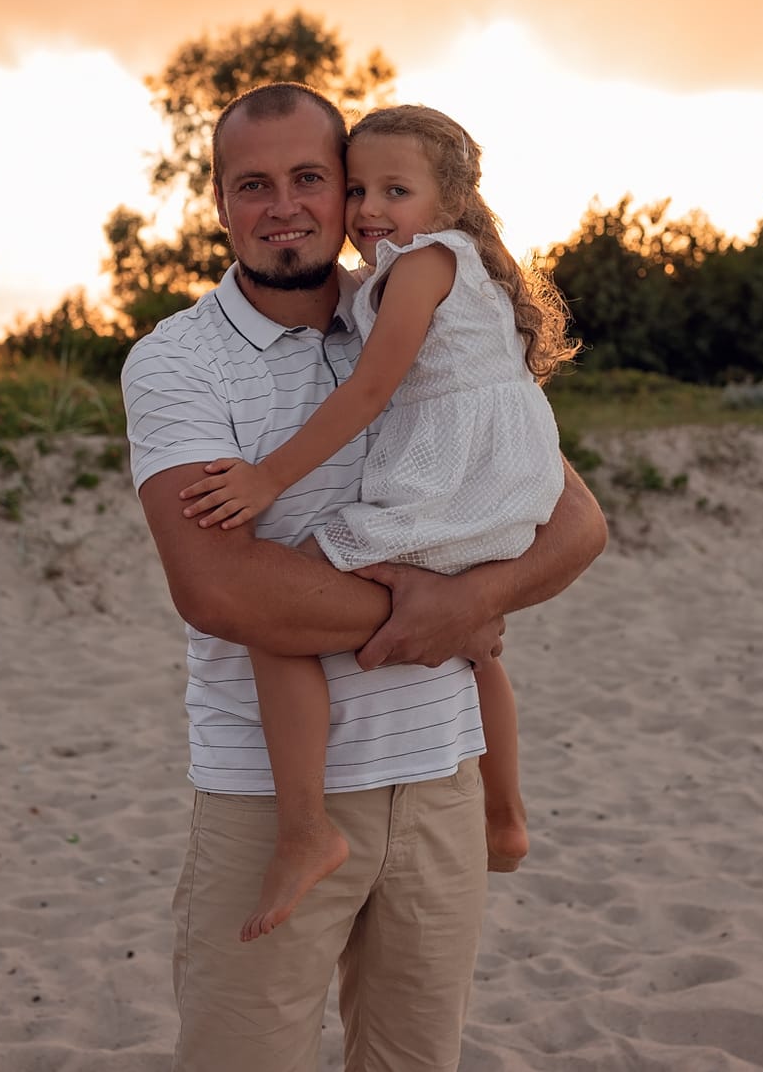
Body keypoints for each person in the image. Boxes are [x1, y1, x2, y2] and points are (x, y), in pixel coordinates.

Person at [122, 82, 606, 1072]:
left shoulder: (420, 310)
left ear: (346, 188)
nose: (284, 206)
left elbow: (574, 523)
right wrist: (432, 614)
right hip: (268, 803)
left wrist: (472, 599)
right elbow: (221, 591)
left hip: (439, 781)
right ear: (218, 201)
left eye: (310, 178)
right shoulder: (178, 362)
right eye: (252, 185)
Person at [175, 103, 572, 945]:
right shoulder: (470, 269)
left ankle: (305, 827)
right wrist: (465, 604)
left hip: (448, 485)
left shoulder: (419, 270)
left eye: (395, 190)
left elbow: (369, 391)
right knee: (479, 645)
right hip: (505, 484)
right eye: (359, 189)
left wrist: (268, 477)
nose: (368, 210)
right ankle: (506, 814)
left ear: (451, 199)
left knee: (275, 613)